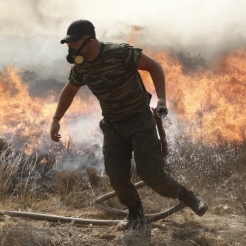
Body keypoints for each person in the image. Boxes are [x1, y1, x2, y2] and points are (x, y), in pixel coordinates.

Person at [49, 19, 208, 230]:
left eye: (74, 42)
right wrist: (56, 119)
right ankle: (135, 214)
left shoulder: (120, 53)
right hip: (113, 126)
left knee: (152, 176)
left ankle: (189, 197)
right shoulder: (82, 68)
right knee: (116, 177)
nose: (71, 47)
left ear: (89, 40)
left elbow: (154, 66)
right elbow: (69, 90)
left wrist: (161, 99)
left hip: (139, 121)